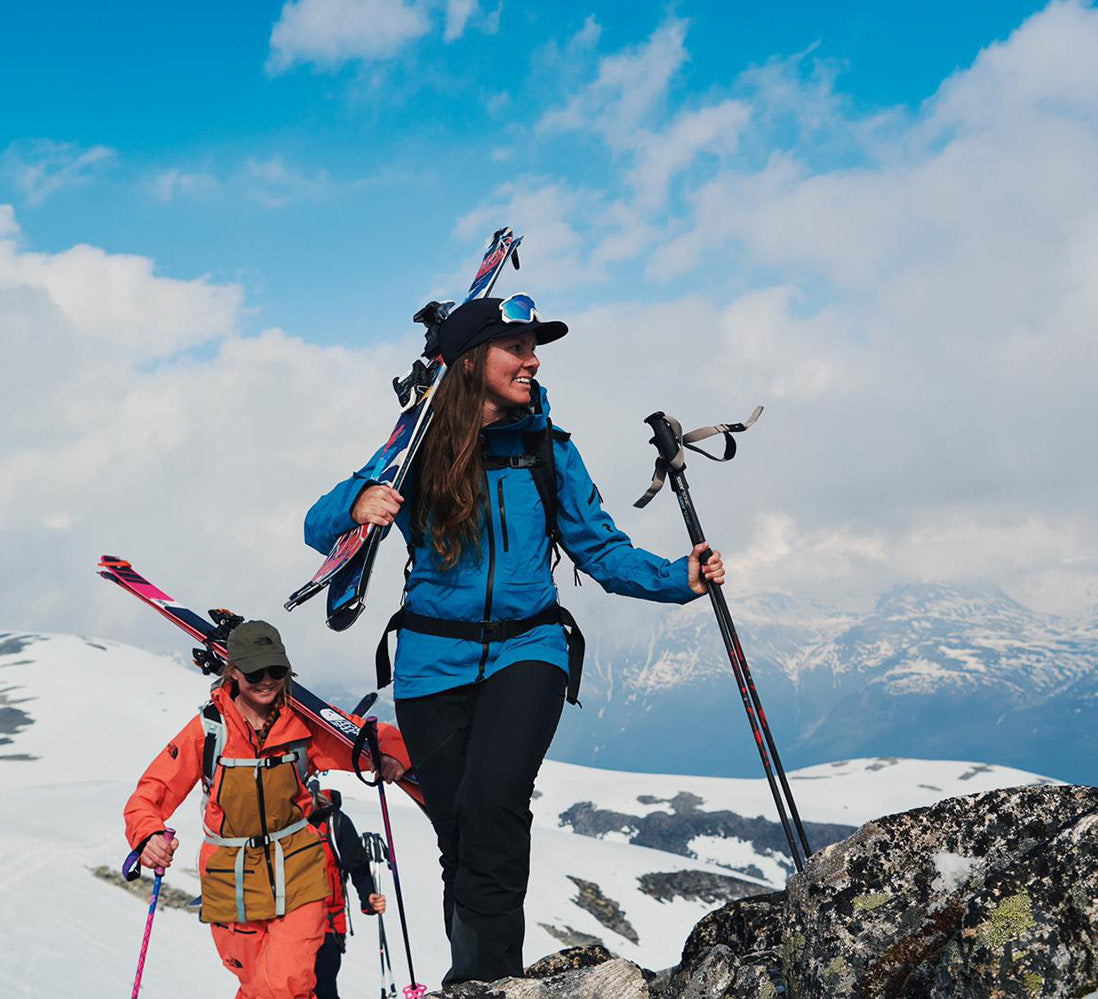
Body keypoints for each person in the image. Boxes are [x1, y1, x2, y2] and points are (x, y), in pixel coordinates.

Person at [304, 294, 724, 984]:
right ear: (472, 363)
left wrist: (680, 577)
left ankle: (489, 982)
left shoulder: (548, 451)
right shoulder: (412, 450)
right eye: (518, 348)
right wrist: (356, 504)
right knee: (459, 835)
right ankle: (475, 975)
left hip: (529, 652)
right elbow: (319, 523)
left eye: (535, 349)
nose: (533, 361)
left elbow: (602, 550)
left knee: (493, 801)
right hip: (430, 663)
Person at [124, 620, 409, 999]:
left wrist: (394, 754)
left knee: (284, 984)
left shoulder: (305, 724)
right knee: (257, 987)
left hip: (299, 870)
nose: (267, 681)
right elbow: (151, 791)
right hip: (231, 879)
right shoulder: (210, 730)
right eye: (255, 672)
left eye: (276, 670)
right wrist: (148, 834)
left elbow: (359, 738)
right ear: (234, 672)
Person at [307, 784, 386, 999]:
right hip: (284, 925)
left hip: (327, 926)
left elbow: (357, 866)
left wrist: (368, 896)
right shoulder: (276, 820)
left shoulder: (335, 822)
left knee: (322, 988)